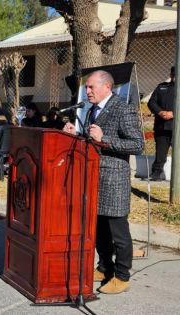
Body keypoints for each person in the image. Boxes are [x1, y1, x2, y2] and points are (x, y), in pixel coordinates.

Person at [62, 70, 143, 294]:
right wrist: (74, 134)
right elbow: (91, 141)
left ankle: (122, 275)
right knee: (98, 229)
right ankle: (105, 266)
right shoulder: (92, 110)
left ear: (106, 87)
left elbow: (137, 145)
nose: (86, 91)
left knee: (118, 232)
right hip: (93, 179)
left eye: (91, 87)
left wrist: (104, 138)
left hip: (114, 181)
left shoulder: (123, 109)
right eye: (86, 88)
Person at [147, 66, 175, 181]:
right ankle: (157, 173)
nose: (175, 77)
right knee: (160, 153)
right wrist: (160, 112)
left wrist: (174, 114)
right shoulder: (162, 87)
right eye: (173, 74)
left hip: (176, 128)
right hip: (162, 127)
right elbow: (151, 102)